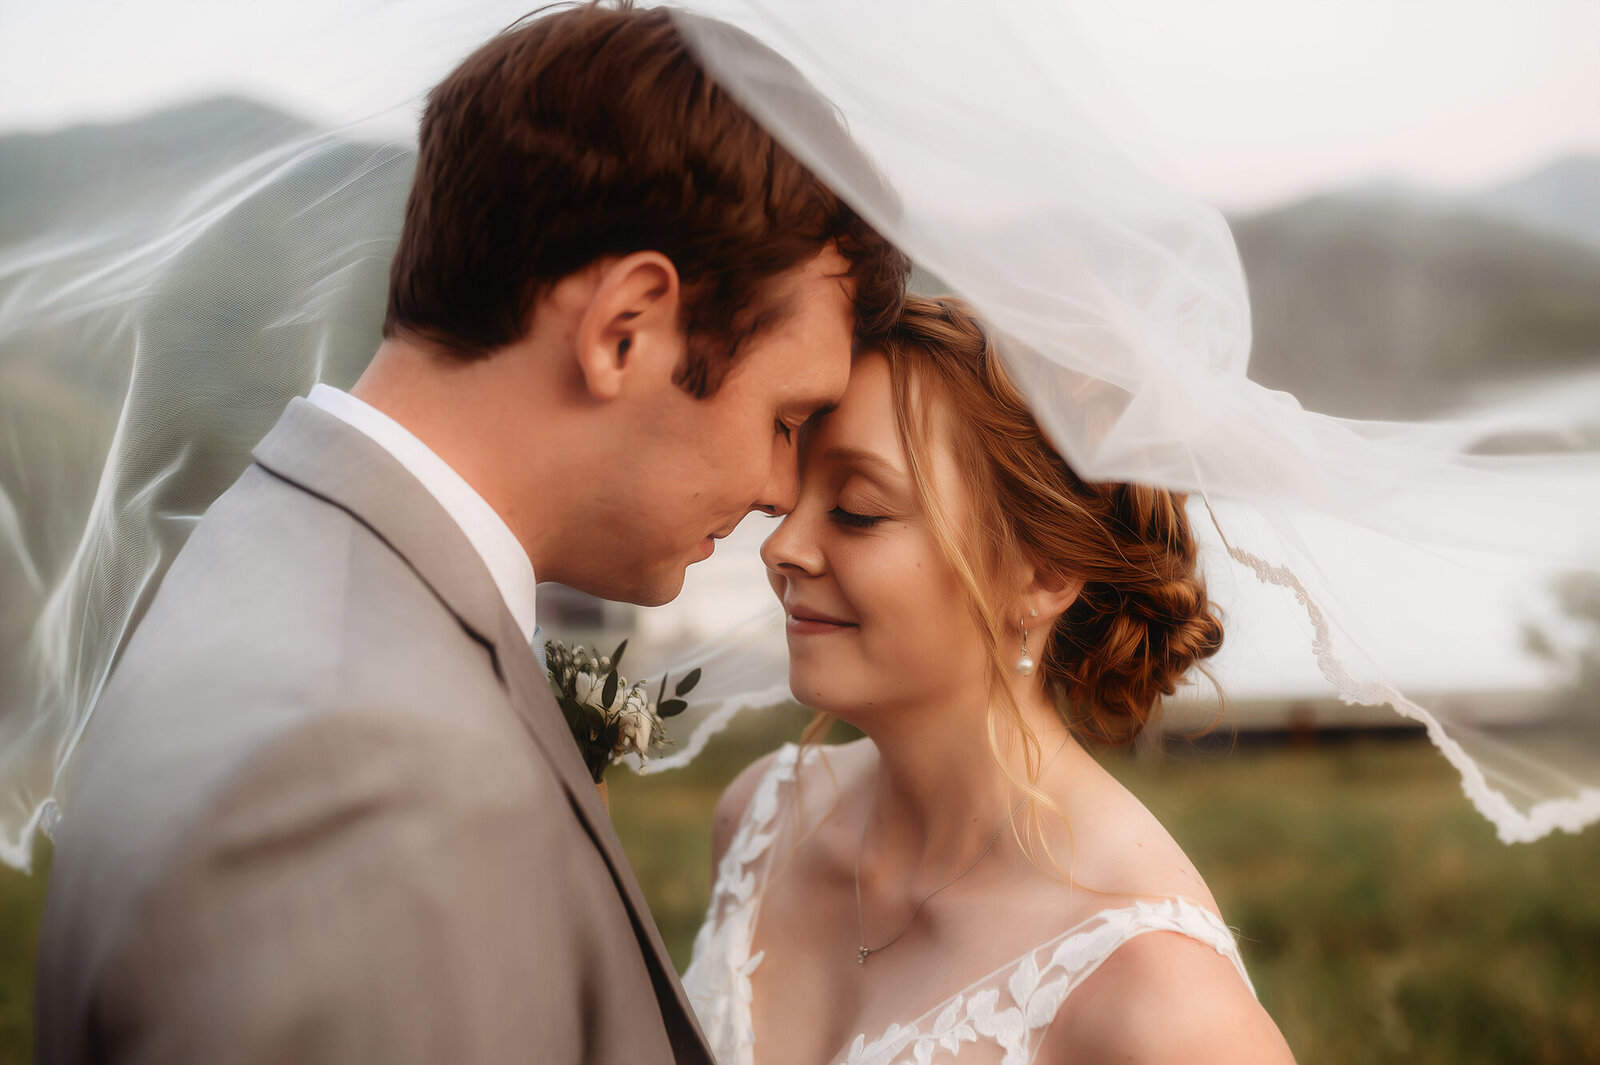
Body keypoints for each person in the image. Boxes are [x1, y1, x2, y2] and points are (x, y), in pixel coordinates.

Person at [33, 4, 906, 1063]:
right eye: (783, 421)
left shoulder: (276, 544)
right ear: (625, 330)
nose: (779, 488)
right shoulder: (370, 784)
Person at [683, 296, 1297, 1064]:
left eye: (856, 508)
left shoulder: (1158, 997)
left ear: (1044, 571)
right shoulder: (758, 824)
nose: (782, 546)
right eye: (797, 492)